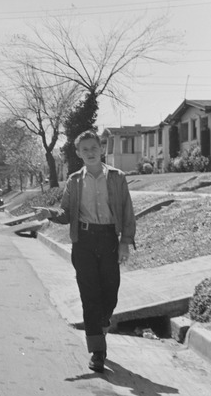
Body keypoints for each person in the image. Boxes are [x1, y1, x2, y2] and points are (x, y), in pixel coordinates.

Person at [34, 130, 136, 373]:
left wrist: (125, 242)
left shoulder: (117, 178)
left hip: (109, 238)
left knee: (110, 292)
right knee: (90, 295)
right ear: (78, 153)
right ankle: (97, 352)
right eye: (84, 150)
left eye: (94, 148)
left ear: (101, 149)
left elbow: (127, 211)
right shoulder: (74, 180)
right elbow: (67, 213)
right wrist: (50, 213)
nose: (90, 153)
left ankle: (102, 321)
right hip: (84, 241)